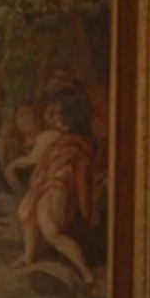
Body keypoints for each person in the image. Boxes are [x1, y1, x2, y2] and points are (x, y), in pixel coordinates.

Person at [8, 99, 99, 280]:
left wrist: (13, 166)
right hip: (44, 183)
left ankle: (84, 270)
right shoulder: (53, 137)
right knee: (26, 214)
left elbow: (34, 160)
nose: (58, 119)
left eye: (62, 114)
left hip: (57, 185)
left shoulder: (71, 141)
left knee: (50, 229)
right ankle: (29, 255)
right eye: (53, 114)